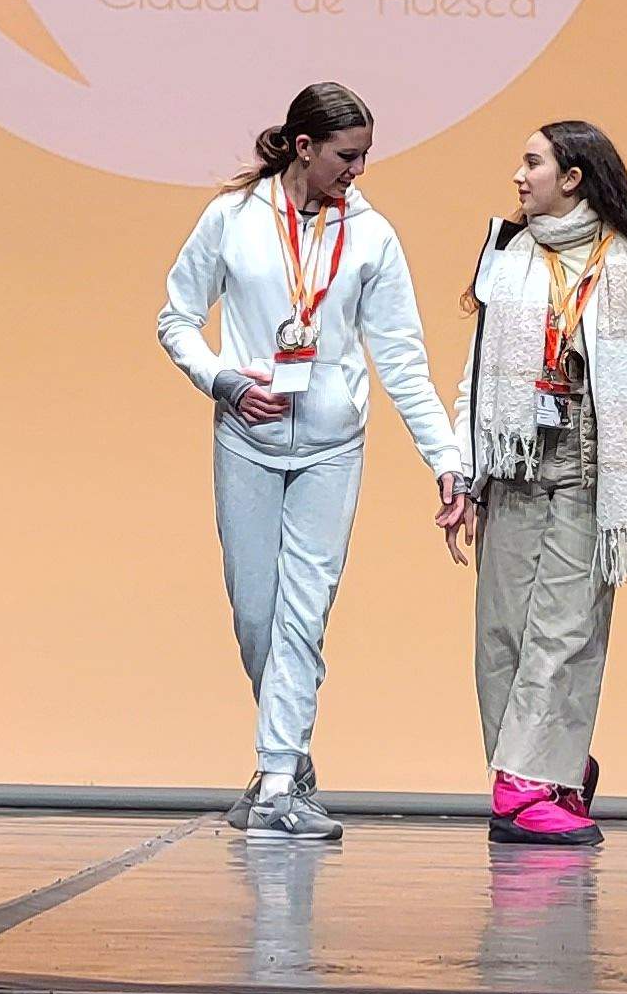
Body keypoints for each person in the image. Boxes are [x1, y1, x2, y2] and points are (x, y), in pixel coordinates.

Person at [155, 82, 465, 843]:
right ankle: (287, 758)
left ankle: (277, 780)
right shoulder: (232, 219)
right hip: (246, 441)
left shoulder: (373, 236)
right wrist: (224, 380)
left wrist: (446, 458)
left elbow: (401, 358)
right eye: (346, 156)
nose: (357, 171)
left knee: (304, 613)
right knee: (256, 614)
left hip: (333, 448)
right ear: (303, 147)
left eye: (363, 157)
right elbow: (176, 318)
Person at [443, 121, 627, 848]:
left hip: (594, 472)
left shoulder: (625, 265)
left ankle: (524, 786)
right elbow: (476, 376)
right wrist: (461, 474)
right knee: (500, 634)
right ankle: (553, 765)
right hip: (514, 465)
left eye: (532, 163)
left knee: (563, 635)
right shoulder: (506, 254)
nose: (518, 176)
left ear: (574, 178)